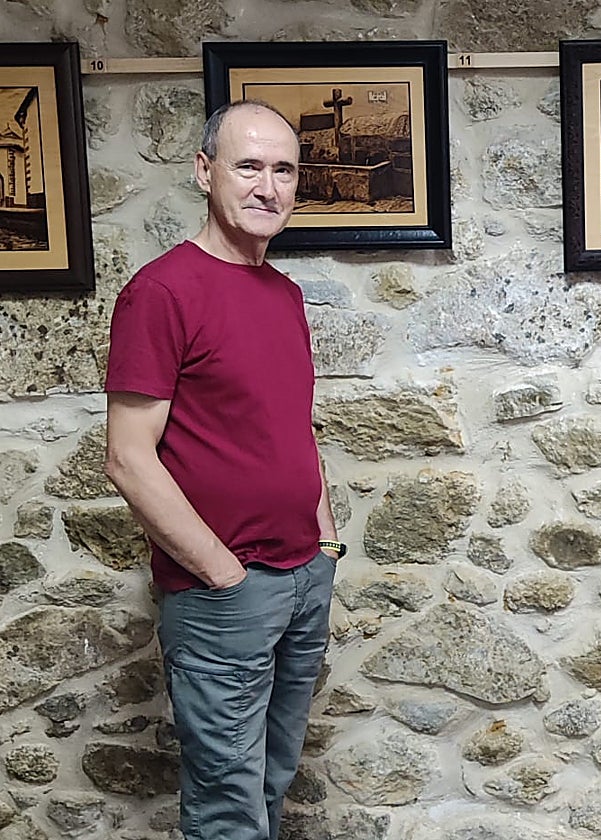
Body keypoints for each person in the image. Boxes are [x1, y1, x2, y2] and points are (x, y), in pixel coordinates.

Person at [104, 100, 345, 840]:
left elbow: (288, 427)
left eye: (283, 170)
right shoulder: (162, 292)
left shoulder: (284, 294)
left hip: (304, 576)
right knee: (226, 807)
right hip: (226, 593)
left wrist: (325, 544)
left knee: (271, 781)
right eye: (248, 166)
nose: (267, 187)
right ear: (204, 171)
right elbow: (127, 456)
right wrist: (220, 570)